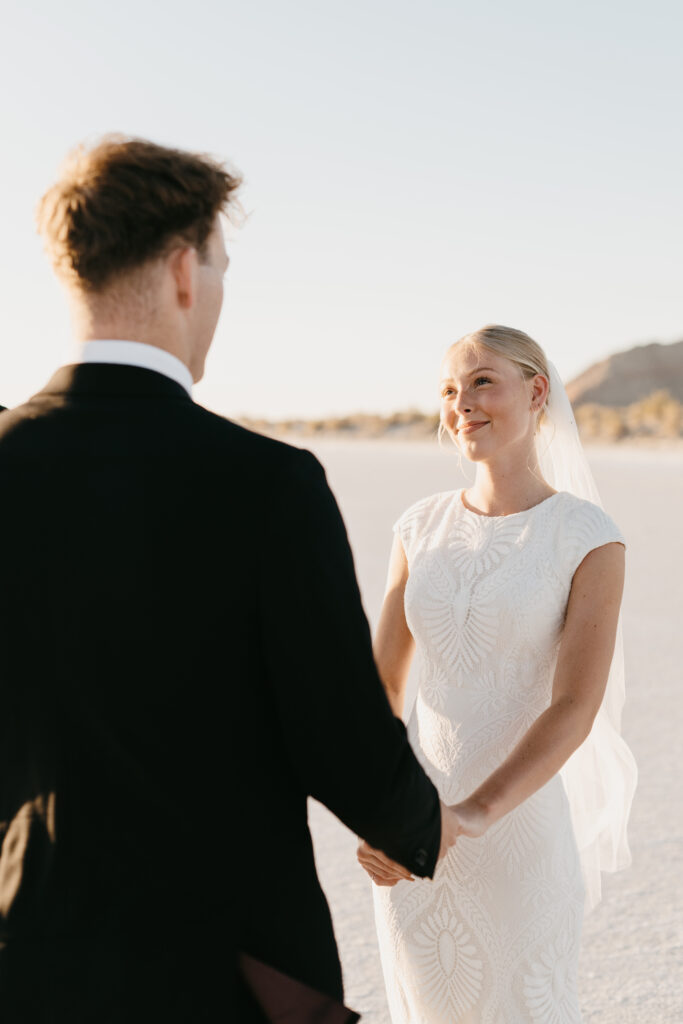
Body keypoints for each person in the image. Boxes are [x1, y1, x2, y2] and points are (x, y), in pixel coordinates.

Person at [0, 136, 460, 1023]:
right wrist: (428, 823)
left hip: (24, 950)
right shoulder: (265, 484)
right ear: (182, 269)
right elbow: (343, 739)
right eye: (219, 266)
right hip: (223, 970)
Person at [357, 325, 637, 1022]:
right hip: (412, 839)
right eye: (450, 389)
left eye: (482, 381)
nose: (462, 403)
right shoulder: (417, 528)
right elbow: (381, 691)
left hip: (516, 835)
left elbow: (574, 706)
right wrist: (381, 806)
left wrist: (471, 815)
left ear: (536, 391)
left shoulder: (587, 537)